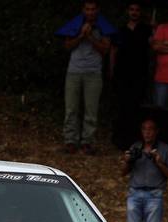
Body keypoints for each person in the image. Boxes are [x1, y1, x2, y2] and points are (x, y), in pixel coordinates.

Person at [58, 0, 114, 155]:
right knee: (71, 109)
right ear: (83, 10)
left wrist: (90, 37)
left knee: (91, 110)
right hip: (74, 72)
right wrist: (81, 35)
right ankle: (70, 141)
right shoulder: (75, 25)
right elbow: (67, 46)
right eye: (87, 9)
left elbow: (105, 49)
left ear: (97, 10)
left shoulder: (103, 26)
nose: (90, 12)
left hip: (93, 73)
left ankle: (87, 142)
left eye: (93, 9)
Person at [111, 2, 153, 114]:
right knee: (122, 103)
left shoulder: (147, 29)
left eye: (137, 10)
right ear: (128, 11)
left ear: (140, 12)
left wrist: (155, 30)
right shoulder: (120, 30)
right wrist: (111, 69)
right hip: (122, 72)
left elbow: (154, 46)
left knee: (138, 103)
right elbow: (114, 50)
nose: (134, 12)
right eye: (132, 9)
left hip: (140, 73)